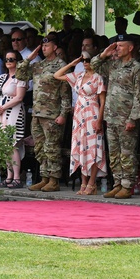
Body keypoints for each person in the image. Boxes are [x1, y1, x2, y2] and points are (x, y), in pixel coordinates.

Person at [91, 34, 140, 199]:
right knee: (114, 153)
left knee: (127, 153)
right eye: (116, 46)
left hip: (126, 118)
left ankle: (127, 185)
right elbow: (94, 66)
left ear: (130, 48)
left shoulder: (136, 68)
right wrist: (105, 53)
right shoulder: (113, 65)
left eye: (121, 46)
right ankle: (117, 183)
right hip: (111, 116)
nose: (117, 48)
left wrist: (133, 118)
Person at [20, 36, 70, 193]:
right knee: (40, 148)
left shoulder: (61, 66)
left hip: (52, 114)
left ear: (55, 47)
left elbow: (65, 93)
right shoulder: (39, 65)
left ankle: (54, 180)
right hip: (37, 113)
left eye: (47, 46)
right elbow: (21, 75)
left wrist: (63, 113)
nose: (43, 48)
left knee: (52, 147)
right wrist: (29, 58)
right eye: (42, 46)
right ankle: (44, 178)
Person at [55, 51, 108, 195]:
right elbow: (57, 75)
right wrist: (72, 64)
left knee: (93, 147)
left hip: (92, 111)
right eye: (83, 60)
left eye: (88, 60)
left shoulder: (98, 78)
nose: (85, 62)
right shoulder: (78, 76)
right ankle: (83, 183)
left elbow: (102, 101)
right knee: (81, 146)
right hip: (79, 114)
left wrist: (99, 120)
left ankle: (92, 183)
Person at [0, 50, 28, 188]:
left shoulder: (21, 77)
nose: (9, 61)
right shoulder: (1, 77)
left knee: (12, 144)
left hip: (14, 111)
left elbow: (19, 97)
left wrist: (3, 107)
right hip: (0, 112)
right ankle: (9, 176)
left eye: (12, 59)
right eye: (7, 59)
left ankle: (17, 177)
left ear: (17, 61)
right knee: (4, 145)